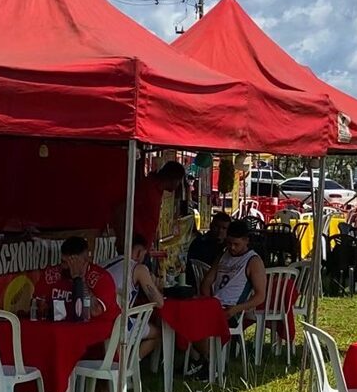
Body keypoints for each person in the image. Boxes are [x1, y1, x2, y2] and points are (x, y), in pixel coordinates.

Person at [189, 220, 267, 378]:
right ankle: (205, 359)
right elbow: (206, 282)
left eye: (236, 244)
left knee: (197, 320)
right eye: (229, 243)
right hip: (216, 304)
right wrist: (207, 299)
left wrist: (237, 309)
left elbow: (260, 296)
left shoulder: (253, 261)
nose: (232, 247)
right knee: (187, 316)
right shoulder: (224, 254)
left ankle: (210, 363)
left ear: (246, 241)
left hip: (232, 309)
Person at [104, 233, 164, 360]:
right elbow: (159, 303)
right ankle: (129, 365)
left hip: (99, 319)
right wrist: (155, 285)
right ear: (138, 252)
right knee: (157, 333)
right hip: (118, 323)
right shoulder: (138, 268)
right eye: (144, 254)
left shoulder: (106, 263)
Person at [113, 161, 187, 251]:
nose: (179, 185)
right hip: (135, 245)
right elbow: (122, 208)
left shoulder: (157, 190)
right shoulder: (148, 188)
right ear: (174, 179)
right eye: (179, 181)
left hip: (143, 246)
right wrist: (122, 237)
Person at [47, 236, 116, 321]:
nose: (66, 266)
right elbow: (38, 306)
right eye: (64, 262)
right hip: (65, 327)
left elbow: (94, 311)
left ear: (85, 261)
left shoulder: (102, 278)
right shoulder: (53, 274)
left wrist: (79, 279)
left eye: (74, 262)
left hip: (100, 329)